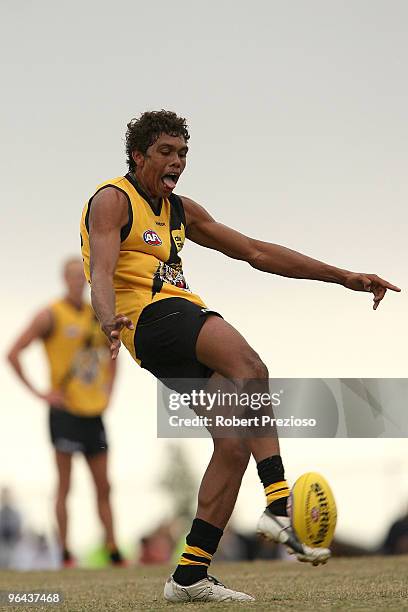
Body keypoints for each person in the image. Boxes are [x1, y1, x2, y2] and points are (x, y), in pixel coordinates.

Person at [80, 111, 400, 602]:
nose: (177, 161)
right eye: (166, 151)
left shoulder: (181, 209)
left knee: (230, 444)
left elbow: (255, 251)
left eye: (183, 152)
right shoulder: (112, 199)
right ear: (139, 155)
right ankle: (277, 501)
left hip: (164, 333)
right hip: (150, 320)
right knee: (251, 367)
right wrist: (106, 318)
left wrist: (344, 276)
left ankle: (189, 575)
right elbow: (102, 270)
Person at [7, 258, 124, 567]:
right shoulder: (50, 315)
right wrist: (40, 393)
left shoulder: (96, 315)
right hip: (64, 412)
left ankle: (113, 549)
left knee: (104, 485)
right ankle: (65, 552)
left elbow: (115, 350)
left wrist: (109, 389)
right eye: (71, 277)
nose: (76, 282)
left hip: (93, 412)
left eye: (80, 277)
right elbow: (13, 353)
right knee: (65, 485)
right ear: (63, 279)